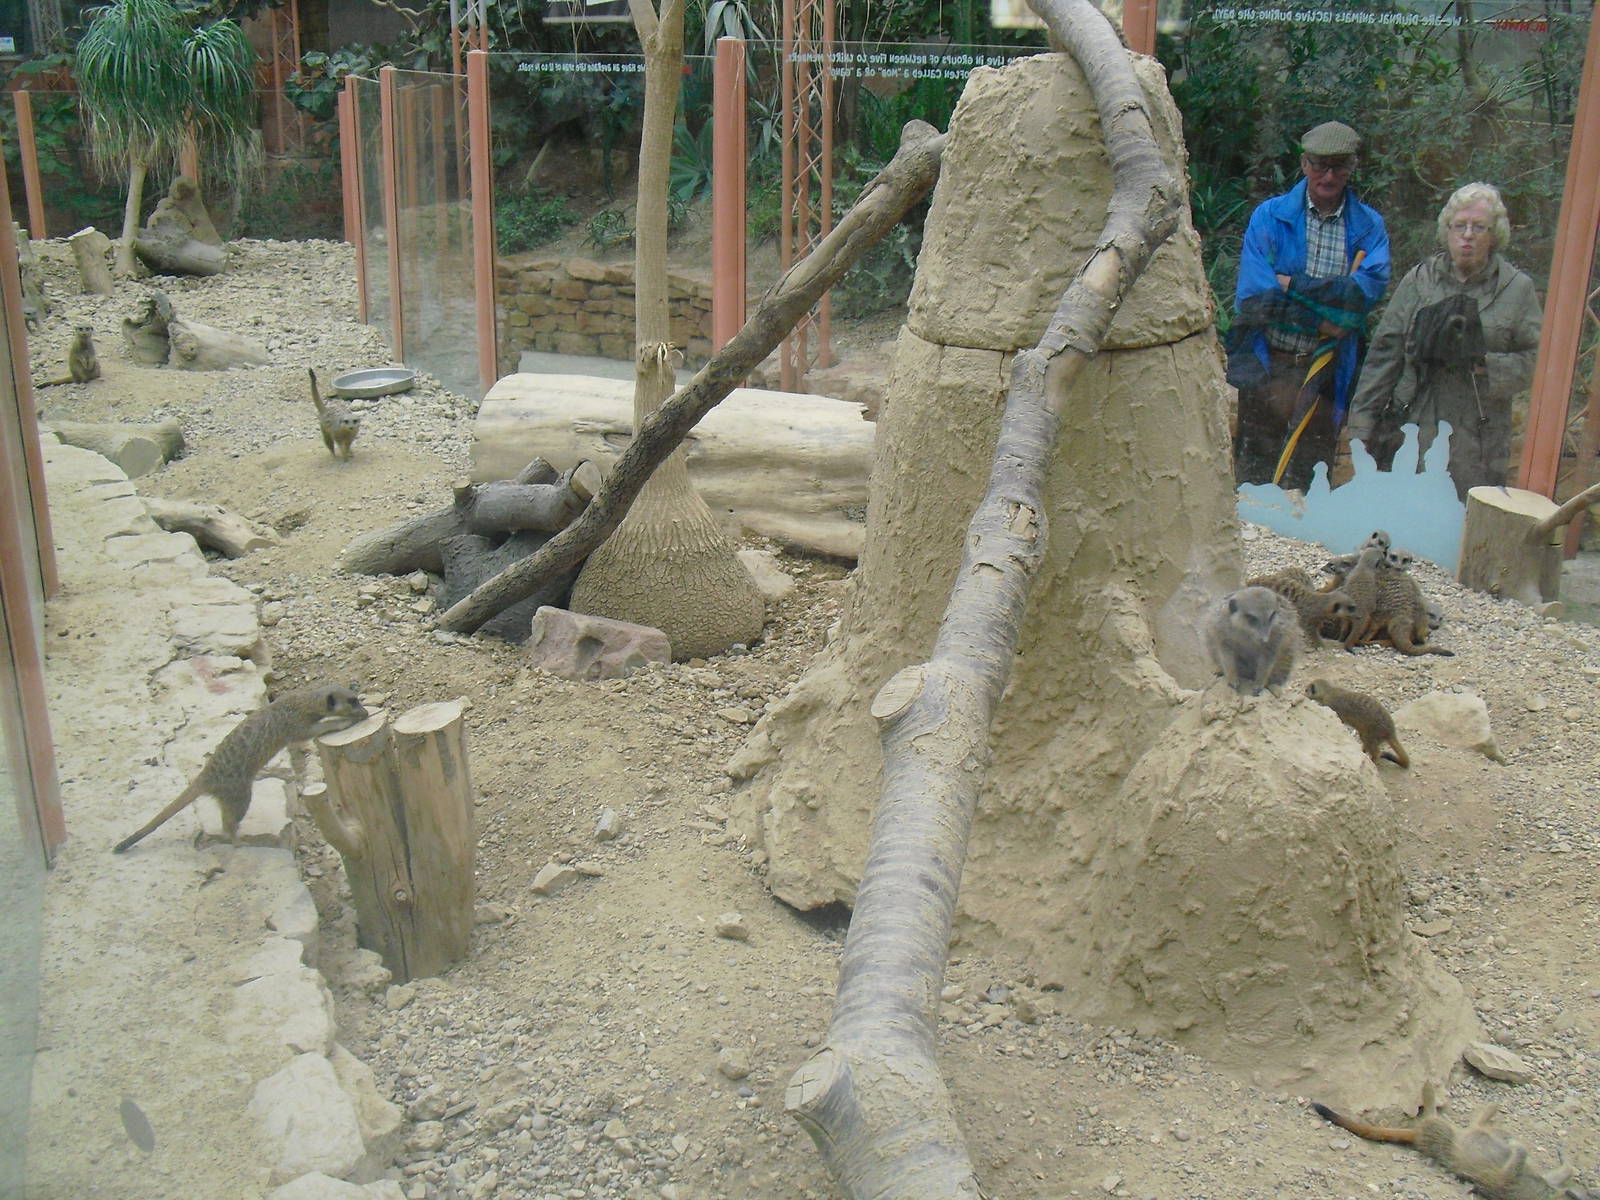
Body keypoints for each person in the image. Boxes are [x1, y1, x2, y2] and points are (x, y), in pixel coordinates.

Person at [1343, 182, 1543, 501]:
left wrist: (1485, 364)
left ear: (1494, 235)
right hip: (1411, 424)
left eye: (1479, 227)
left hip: (1477, 437)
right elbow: (1384, 355)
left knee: (1462, 527)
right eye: (1459, 225)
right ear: (1446, 229)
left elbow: (1539, 362)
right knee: (1399, 521)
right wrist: (1361, 429)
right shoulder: (1419, 281)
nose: (1467, 235)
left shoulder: (1517, 289)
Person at [1226, 121, 1391, 491]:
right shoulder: (1270, 218)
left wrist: (1293, 285)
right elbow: (1255, 299)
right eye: (1320, 164)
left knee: (1310, 481)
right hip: (1270, 365)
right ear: (1304, 164)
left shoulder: (1368, 228)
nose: (1328, 175)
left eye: (1339, 166)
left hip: (1326, 372)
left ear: (1352, 168)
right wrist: (1323, 319)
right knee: (1253, 480)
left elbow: (1362, 297)